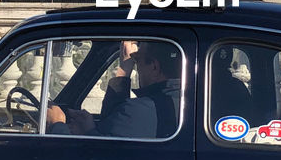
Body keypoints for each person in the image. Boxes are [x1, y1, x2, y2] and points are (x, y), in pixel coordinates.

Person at [46, 41, 181, 139]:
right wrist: (90, 131)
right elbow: (109, 134)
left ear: (154, 66)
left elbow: (92, 157)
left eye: (137, 60)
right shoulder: (190, 105)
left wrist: (56, 124)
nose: (136, 67)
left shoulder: (138, 111)